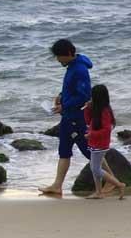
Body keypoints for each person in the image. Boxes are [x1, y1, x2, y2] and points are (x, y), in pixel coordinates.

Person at [39, 39, 114, 195]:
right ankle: (57, 185)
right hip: (67, 117)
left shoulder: (80, 69)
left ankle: (111, 180)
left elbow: (84, 96)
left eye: (59, 56)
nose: (57, 59)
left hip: (76, 118)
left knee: (90, 151)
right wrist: (61, 96)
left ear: (68, 53)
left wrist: (64, 106)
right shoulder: (71, 66)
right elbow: (71, 89)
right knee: (64, 151)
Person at [83, 84, 125, 200]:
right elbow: (87, 121)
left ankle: (118, 184)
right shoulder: (96, 109)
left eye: (93, 96)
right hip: (94, 142)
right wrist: (87, 108)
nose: (91, 98)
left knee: (95, 168)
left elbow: (106, 130)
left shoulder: (104, 111)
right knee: (94, 167)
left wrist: (92, 134)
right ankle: (98, 192)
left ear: (98, 97)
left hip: (100, 144)